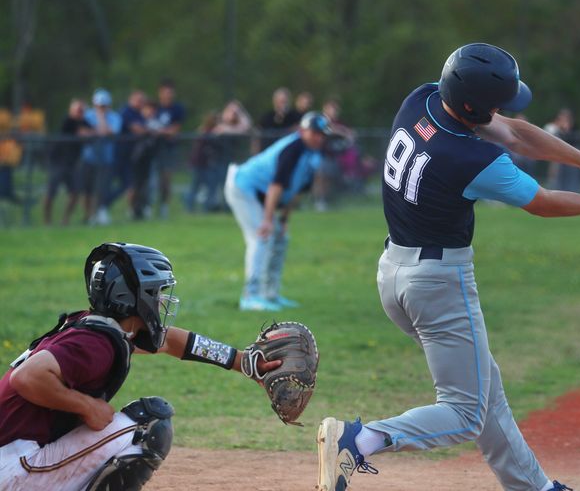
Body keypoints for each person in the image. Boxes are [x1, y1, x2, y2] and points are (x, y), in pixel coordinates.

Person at [315, 43, 580, 491]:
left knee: (484, 390)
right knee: (465, 413)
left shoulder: (422, 100)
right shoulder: (471, 159)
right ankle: (360, 440)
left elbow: (514, 132)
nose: (503, 111)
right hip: (438, 284)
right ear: (474, 106)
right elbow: (543, 203)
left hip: (394, 272)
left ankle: (535, 488)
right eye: (495, 104)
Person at [0, 242, 281, 490]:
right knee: (148, 424)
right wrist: (86, 406)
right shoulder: (97, 344)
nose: (161, 301)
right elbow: (27, 376)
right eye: (156, 292)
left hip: (14, 457)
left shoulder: (97, 328)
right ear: (134, 297)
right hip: (13, 469)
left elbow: (170, 341)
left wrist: (241, 361)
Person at [225, 111, 332, 312]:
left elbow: (297, 190)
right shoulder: (294, 149)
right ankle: (250, 297)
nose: (319, 137)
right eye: (314, 132)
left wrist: (283, 220)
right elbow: (276, 186)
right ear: (302, 131)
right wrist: (267, 220)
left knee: (281, 238)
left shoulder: (314, 154)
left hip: (262, 195)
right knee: (261, 237)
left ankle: (270, 295)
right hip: (243, 187)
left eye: (322, 134)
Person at [42, 99, 92, 226]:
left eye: (82, 110)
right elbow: (77, 131)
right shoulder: (68, 120)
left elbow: (92, 132)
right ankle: (47, 221)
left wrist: (86, 132)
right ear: (71, 110)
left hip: (72, 164)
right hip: (58, 162)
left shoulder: (84, 122)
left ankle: (65, 219)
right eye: (77, 109)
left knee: (75, 192)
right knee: (51, 192)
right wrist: (83, 132)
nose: (80, 112)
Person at [78, 89, 122, 225]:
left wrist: (100, 120)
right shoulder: (87, 116)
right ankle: (89, 215)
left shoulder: (115, 117)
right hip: (89, 158)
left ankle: (101, 211)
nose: (101, 108)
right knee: (87, 189)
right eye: (98, 105)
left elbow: (108, 132)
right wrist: (98, 130)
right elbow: (82, 132)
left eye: (103, 106)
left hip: (105, 160)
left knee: (103, 187)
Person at [154, 78, 186, 219]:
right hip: (153, 148)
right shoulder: (154, 107)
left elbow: (175, 130)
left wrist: (159, 131)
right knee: (148, 179)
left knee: (166, 179)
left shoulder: (177, 109)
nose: (168, 95)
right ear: (160, 93)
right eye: (166, 92)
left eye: (170, 93)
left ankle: (164, 206)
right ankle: (145, 207)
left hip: (168, 148)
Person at [544, 108, 580, 192]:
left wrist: (565, 130)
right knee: (558, 182)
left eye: (564, 118)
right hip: (560, 159)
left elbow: (573, 142)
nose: (562, 120)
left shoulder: (575, 129)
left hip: (572, 159)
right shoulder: (556, 129)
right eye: (560, 118)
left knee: (571, 183)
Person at [254, 87, 301, 153]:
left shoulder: (295, 116)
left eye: (285, 102)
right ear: (275, 101)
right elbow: (257, 134)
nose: (283, 104)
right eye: (281, 101)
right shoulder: (266, 117)